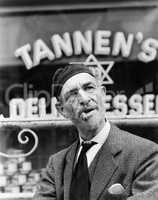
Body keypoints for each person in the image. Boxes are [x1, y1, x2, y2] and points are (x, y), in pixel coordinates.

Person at [34, 64, 158, 200]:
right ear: (62, 110)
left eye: (89, 88)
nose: (85, 99)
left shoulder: (145, 154)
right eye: (72, 94)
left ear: (103, 93)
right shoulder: (56, 166)